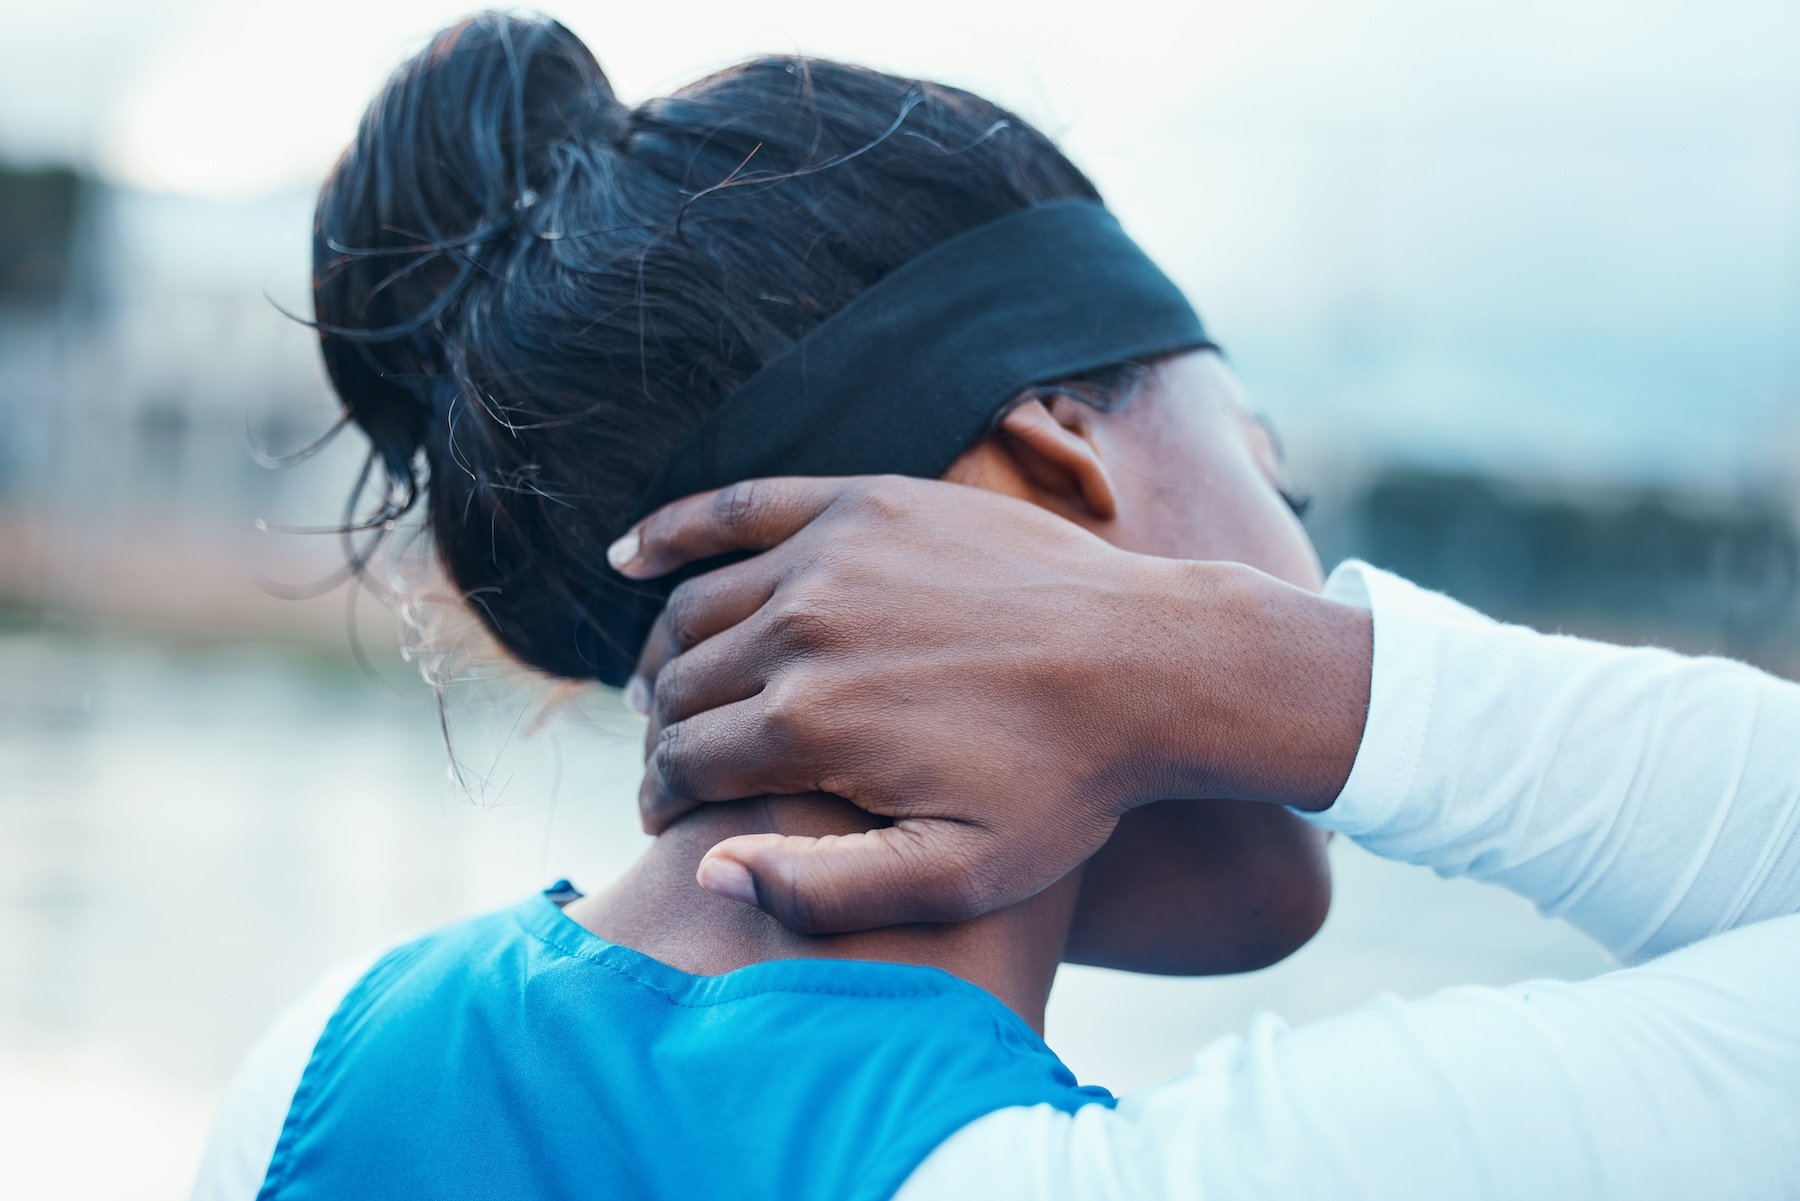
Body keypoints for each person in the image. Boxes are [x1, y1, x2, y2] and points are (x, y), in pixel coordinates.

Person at [192, 12, 1354, 1199]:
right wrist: (1327, 690)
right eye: (1277, 479)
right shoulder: (1236, 1164)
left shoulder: (316, 1072)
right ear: (1052, 466)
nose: (1335, 585)